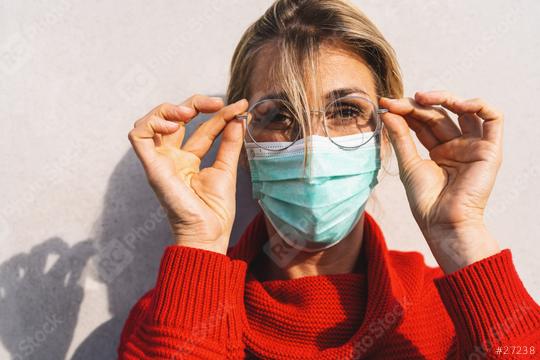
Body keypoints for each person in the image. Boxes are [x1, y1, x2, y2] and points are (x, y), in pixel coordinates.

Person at [118, 0, 540, 358]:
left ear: (386, 135)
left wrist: (461, 234)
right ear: (242, 144)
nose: (313, 149)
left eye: (345, 112)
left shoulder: (450, 311)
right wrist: (197, 239)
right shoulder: (170, 313)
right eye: (280, 117)